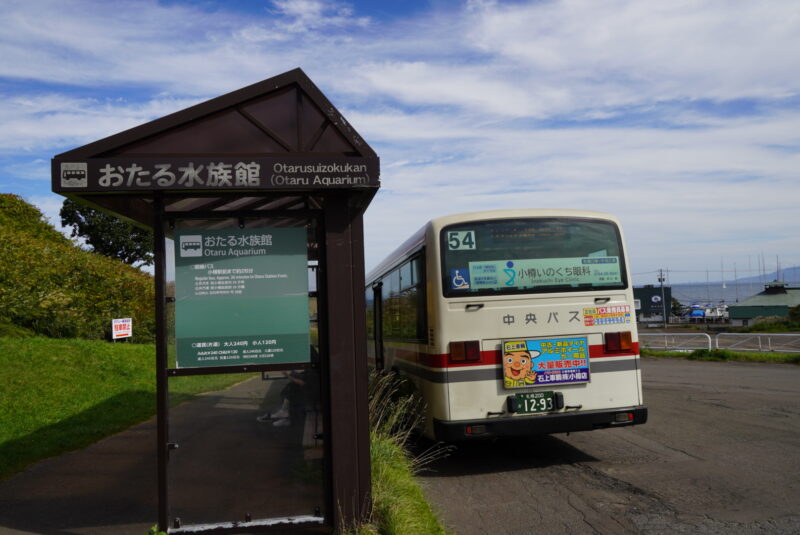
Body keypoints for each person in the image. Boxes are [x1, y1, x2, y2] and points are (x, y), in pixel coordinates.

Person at [257, 345, 320, 426]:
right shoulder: (314, 364)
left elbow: (302, 382)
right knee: (291, 387)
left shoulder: (313, 368)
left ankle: (286, 416)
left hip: (313, 393)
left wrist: (287, 375)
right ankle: (284, 414)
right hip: (314, 390)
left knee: (292, 389)